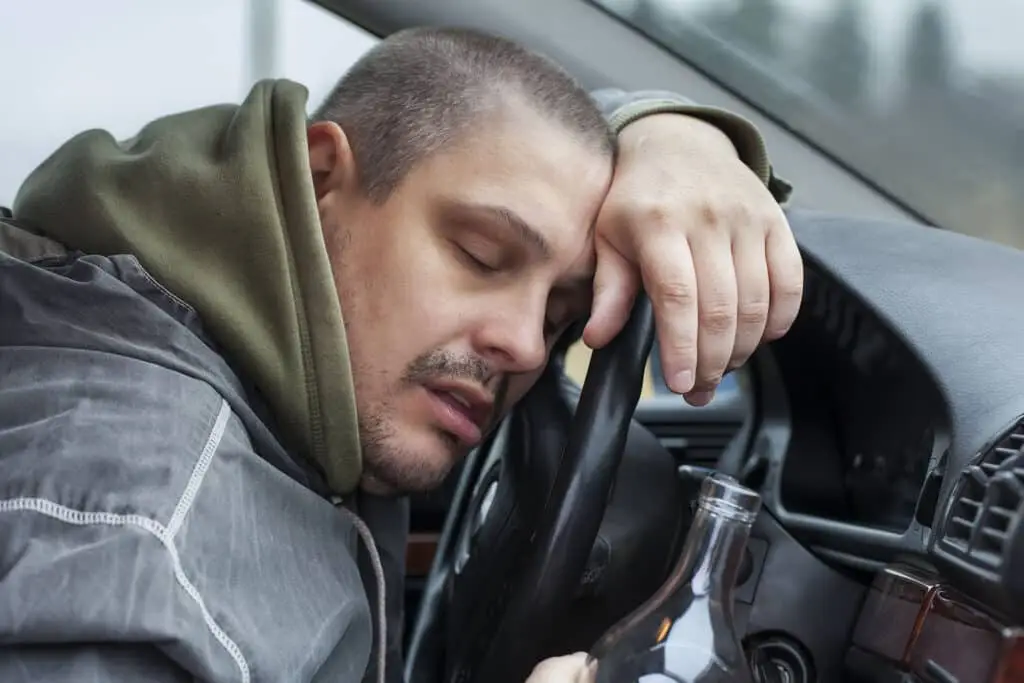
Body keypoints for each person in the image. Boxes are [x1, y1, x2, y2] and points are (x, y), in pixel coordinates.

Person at [0, 26, 799, 683]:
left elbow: (492, 117)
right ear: (320, 177)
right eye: (483, 256)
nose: (524, 344)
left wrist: (673, 134)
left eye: (562, 315)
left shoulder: (292, 392)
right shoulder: (144, 539)